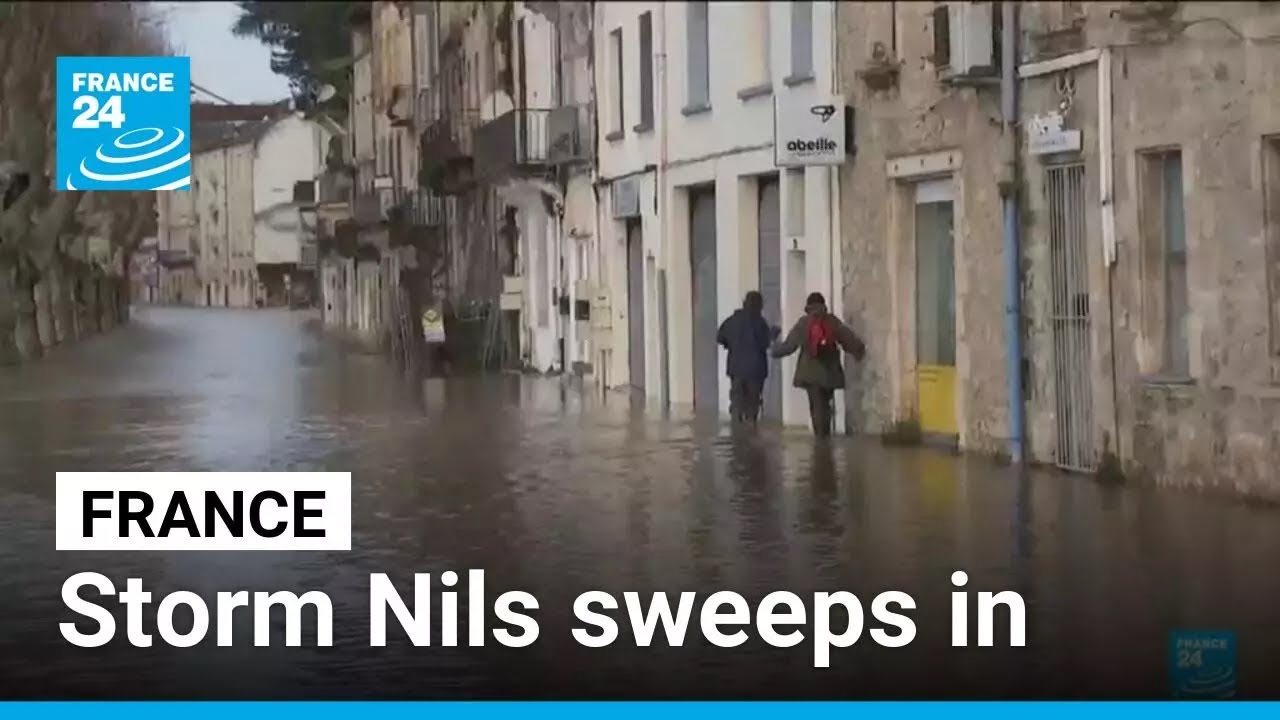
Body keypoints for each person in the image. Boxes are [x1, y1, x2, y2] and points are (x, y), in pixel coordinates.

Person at [771, 291, 866, 437]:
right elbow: (847, 338)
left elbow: (790, 346)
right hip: (829, 371)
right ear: (823, 305)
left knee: (816, 405)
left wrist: (775, 351)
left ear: (808, 306)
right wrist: (858, 350)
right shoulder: (832, 321)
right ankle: (825, 432)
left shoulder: (804, 323)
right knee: (825, 403)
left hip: (810, 373)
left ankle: (820, 437)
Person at [716, 291, 779, 423]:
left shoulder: (731, 321)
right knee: (753, 401)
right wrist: (773, 334)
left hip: (736, 368)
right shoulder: (759, 323)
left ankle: (736, 428)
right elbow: (765, 342)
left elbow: (720, 338)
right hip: (755, 369)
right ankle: (750, 428)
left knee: (737, 400)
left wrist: (731, 345)